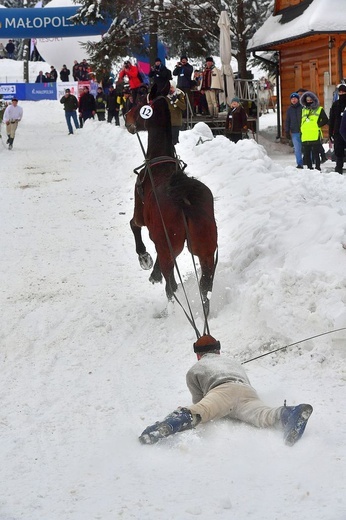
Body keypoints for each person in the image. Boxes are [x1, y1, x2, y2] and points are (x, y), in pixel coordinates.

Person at [139, 335, 313, 447]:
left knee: (197, 412)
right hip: (246, 390)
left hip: (220, 392)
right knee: (264, 415)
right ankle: (289, 413)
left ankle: (163, 427)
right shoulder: (233, 363)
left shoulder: (196, 368)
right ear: (218, 350)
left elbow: (199, 401)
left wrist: (218, 407)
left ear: (198, 354)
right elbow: (244, 385)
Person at [300, 91, 328, 171]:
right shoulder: (303, 110)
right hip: (305, 134)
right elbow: (301, 121)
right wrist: (301, 131)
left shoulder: (319, 109)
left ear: (314, 99)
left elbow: (325, 119)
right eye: (307, 99)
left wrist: (318, 125)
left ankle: (318, 168)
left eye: (310, 99)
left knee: (316, 153)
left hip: (315, 134)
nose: (309, 101)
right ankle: (309, 168)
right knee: (307, 153)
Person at [329, 84, 346, 174]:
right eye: (340, 92)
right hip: (338, 131)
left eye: (343, 92)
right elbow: (331, 119)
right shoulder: (335, 105)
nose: (341, 93)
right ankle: (338, 168)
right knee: (338, 151)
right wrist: (330, 133)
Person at [285, 92, 303, 168]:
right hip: (294, 132)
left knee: (307, 148)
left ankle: (309, 161)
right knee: (297, 149)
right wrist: (287, 130)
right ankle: (299, 163)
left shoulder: (302, 108)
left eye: (295, 98)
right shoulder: (289, 109)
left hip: (303, 131)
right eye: (292, 99)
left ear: (298, 99)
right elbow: (287, 120)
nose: (294, 100)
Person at [166, 80, 186, 145]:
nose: (170, 89)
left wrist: (176, 101)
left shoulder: (179, 94)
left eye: (171, 87)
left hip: (176, 121)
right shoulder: (165, 95)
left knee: (175, 140)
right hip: (167, 121)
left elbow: (183, 107)